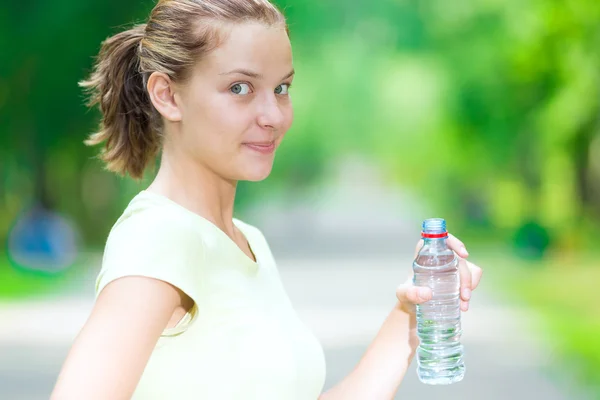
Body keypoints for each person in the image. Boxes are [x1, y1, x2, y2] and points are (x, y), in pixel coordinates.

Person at [51, 0, 483, 399]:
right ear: (167, 94)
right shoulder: (160, 238)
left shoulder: (247, 242)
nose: (274, 116)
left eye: (281, 88)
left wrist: (411, 313)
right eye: (240, 88)